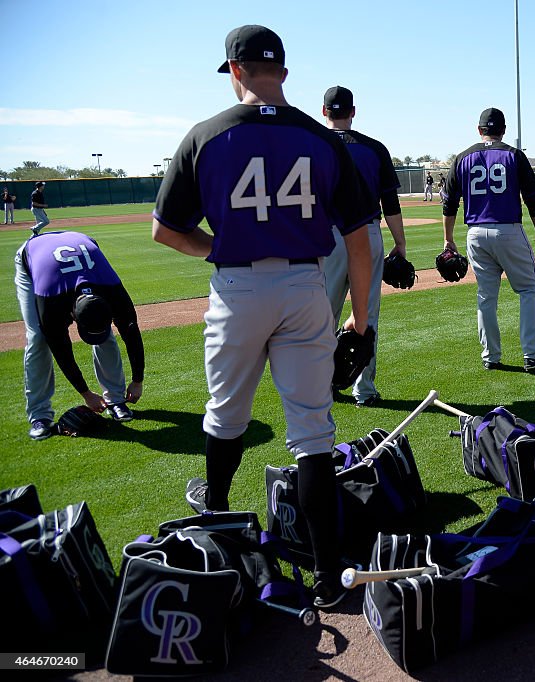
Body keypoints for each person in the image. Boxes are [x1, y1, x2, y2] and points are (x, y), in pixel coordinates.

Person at [151, 25, 377, 608]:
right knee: (313, 432)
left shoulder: (207, 134)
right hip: (305, 286)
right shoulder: (320, 136)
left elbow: (165, 230)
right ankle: (330, 577)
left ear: (234, 69)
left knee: (227, 414)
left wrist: (218, 247)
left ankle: (219, 525)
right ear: (283, 71)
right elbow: (357, 241)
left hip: (239, 287)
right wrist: (360, 321)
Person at [441, 107, 535, 372]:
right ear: (503, 130)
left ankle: (490, 356)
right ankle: (531, 354)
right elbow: (532, 198)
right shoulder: (514, 155)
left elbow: (449, 203)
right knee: (528, 290)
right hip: (508, 230)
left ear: (479, 130)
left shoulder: (462, 157)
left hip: (475, 234)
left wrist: (448, 238)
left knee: (486, 296)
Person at [321, 85, 407, 407]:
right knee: (366, 315)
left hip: (325, 237)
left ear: (324, 111)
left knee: (322, 316)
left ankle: (321, 386)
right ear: (353, 112)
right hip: (367, 234)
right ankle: (364, 390)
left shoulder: (313, 145)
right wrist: (399, 243)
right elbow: (390, 202)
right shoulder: (374, 148)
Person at [15, 231, 144, 440]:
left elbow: (131, 330)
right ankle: (40, 416)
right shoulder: (51, 299)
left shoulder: (111, 290)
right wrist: (86, 394)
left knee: (104, 332)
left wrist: (138, 380)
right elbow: (60, 347)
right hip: (35, 257)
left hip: (84, 251)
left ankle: (115, 399)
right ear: (72, 314)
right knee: (39, 338)